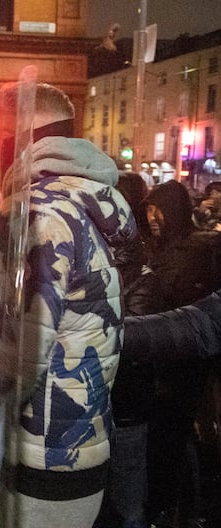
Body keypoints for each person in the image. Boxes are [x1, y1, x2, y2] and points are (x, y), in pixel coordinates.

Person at [0, 81, 133, 527]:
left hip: (42, 452)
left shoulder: (43, 213)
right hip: (82, 441)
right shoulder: (86, 201)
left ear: (22, 133)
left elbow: (27, 346)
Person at [139, 180, 221, 528]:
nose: (153, 218)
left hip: (184, 369)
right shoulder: (157, 251)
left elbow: (197, 320)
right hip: (165, 364)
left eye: (159, 210)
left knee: (177, 443)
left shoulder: (199, 250)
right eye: (148, 210)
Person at [94, 172, 161, 528]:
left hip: (127, 405)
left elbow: (129, 336)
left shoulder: (142, 277)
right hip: (98, 403)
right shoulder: (99, 267)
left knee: (128, 498)